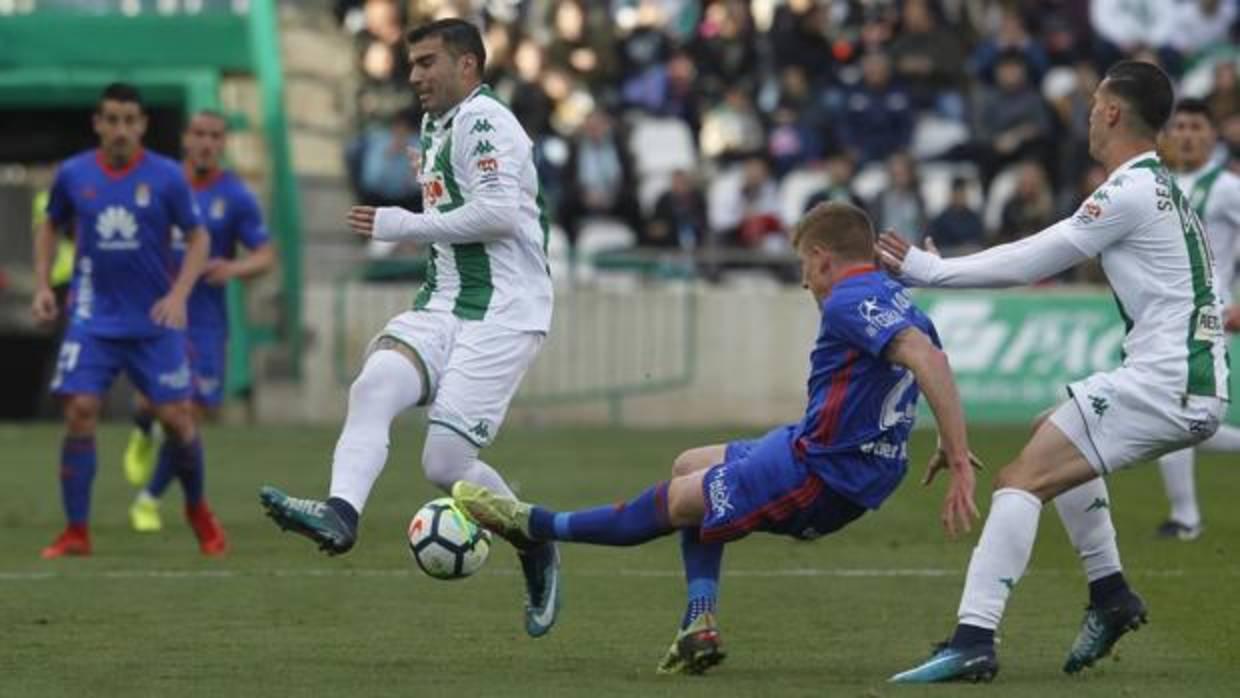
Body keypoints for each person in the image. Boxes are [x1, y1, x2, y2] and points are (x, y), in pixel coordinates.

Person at [454, 201, 981, 675]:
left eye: (803, 268)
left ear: (822, 258)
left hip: (823, 474)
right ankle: (698, 621)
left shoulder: (847, 301)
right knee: (691, 465)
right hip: (822, 450)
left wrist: (957, 457)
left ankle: (535, 524)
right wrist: (939, 440)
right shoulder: (891, 292)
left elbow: (926, 360)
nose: (805, 284)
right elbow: (923, 357)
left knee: (681, 501)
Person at [879, 61, 1228, 683]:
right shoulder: (1158, 187)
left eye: (1095, 103)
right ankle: (1112, 595)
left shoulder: (1127, 192)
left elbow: (1036, 255)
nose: (1089, 114)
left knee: (1020, 480)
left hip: (1167, 381)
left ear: (1114, 113)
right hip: (1181, 378)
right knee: (1051, 432)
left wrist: (932, 273)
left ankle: (973, 638)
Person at [257, 19, 561, 638]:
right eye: (412, 63)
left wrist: (403, 224)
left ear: (469, 65)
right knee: (374, 387)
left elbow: (502, 214)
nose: (414, 75)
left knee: (446, 462)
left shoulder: (485, 121)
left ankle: (535, 544)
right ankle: (341, 513)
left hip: (504, 310)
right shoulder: (436, 124)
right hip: (442, 300)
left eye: (427, 62)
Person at [31, 83, 220, 558]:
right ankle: (77, 531)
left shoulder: (166, 177)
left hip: (155, 321)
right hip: (93, 318)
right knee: (79, 412)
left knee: (178, 419)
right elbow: (50, 224)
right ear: (98, 123)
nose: (120, 130)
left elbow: (198, 239)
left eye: (129, 121)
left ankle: (197, 509)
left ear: (142, 125)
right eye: (111, 120)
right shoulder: (74, 174)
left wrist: (179, 294)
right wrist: (41, 287)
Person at [124, 110, 276, 537]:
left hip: (205, 321)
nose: (206, 143)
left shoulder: (236, 197)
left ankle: (148, 499)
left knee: (189, 413)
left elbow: (266, 255)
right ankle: (141, 429)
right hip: (156, 315)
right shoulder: (160, 183)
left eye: (215, 136)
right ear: (185, 139)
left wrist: (233, 267)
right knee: (148, 404)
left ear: (222, 144)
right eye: (199, 134)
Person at [1154, 98, 1240, 541]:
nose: (1186, 134)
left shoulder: (1224, 187)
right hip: (1164, 319)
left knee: (1174, 411)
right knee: (1187, 420)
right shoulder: (1159, 184)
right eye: (1179, 126)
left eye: (1196, 126)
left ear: (1212, 134)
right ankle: (1185, 516)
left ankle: (1185, 520)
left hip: (1206, 319)